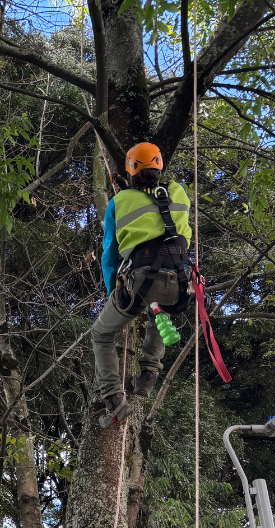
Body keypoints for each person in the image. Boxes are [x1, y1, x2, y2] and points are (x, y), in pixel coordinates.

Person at [91, 142, 193, 426]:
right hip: (179, 284)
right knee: (157, 310)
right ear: (160, 166)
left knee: (101, 334)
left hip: (139, 282)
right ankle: (148, 373)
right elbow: (159, 211)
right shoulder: (180, 193)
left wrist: (113, 292)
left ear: (130, 170)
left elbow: (110, 253)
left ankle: (113, 398)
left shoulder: (119, 203)